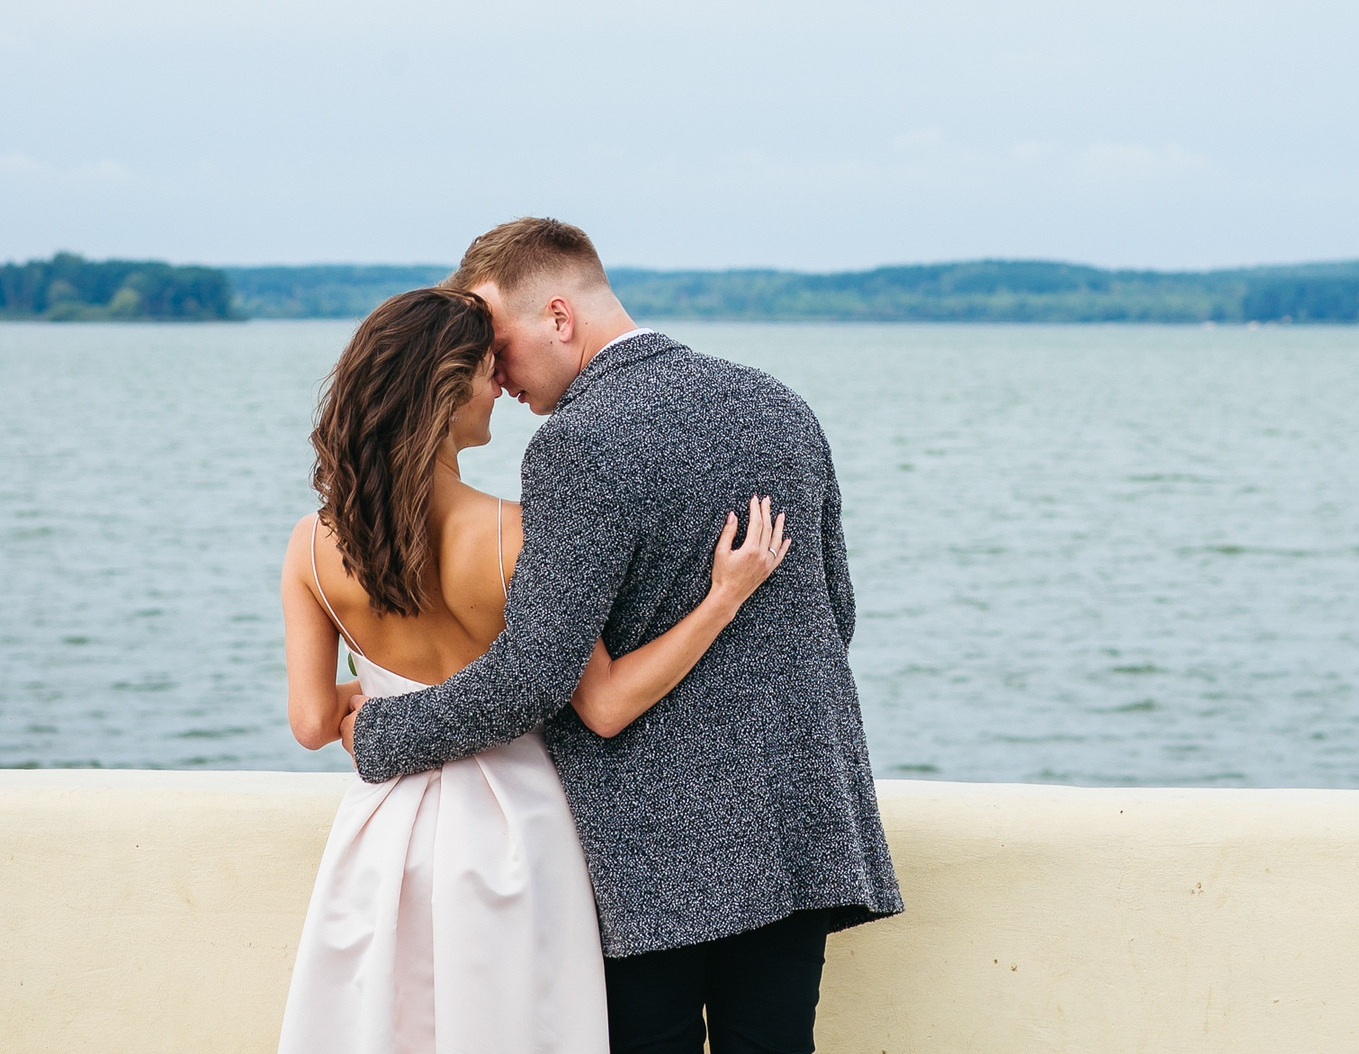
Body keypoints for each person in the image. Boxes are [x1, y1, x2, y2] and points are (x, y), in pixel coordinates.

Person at [347, 218, 902, 1054]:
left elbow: (534, 675)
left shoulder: (575, 443)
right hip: (799, 815)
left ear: (559, 317)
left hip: (652, 847)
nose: (492, 374)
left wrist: (383, 731)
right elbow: (835, 612)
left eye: (496, 343)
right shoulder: (778, 403)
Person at [279, 284, 790, 1054]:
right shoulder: (516, 537)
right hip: (519, 826)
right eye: (487, 371)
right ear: (445, 390)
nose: (502, 390)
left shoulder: (309, 546)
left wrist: (380, 691)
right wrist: (721, 599)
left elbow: (314, 723)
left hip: (384, 836)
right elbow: (602, 696)